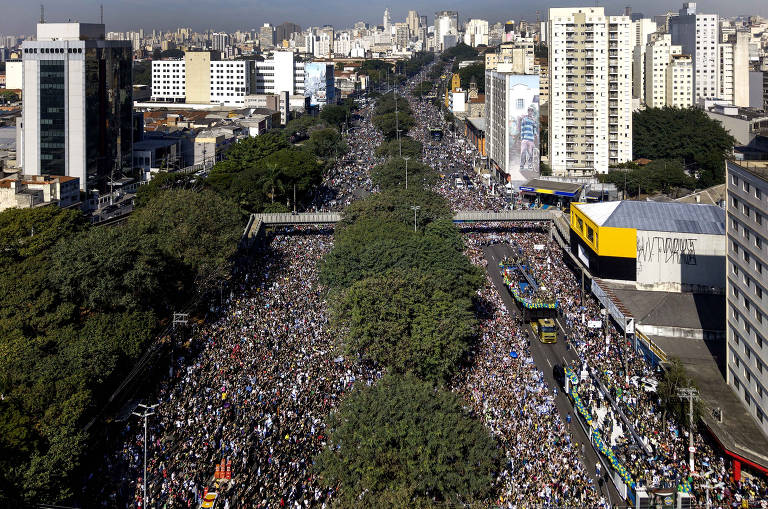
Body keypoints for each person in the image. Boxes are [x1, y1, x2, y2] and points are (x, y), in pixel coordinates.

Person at [519, 107, 537, 172]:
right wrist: (522, 138)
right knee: (523, 152)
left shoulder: (534, 120)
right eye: (529, 111)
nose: (530, 112)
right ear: (528, 111)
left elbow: (534, 128)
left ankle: (530, 165)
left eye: (531, 111)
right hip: (524, 139)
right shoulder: (524, 119)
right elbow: (522, 128)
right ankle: (522, 165)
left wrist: (535, 134)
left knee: (531, 153)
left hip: (531, 139)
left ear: (532, 112)